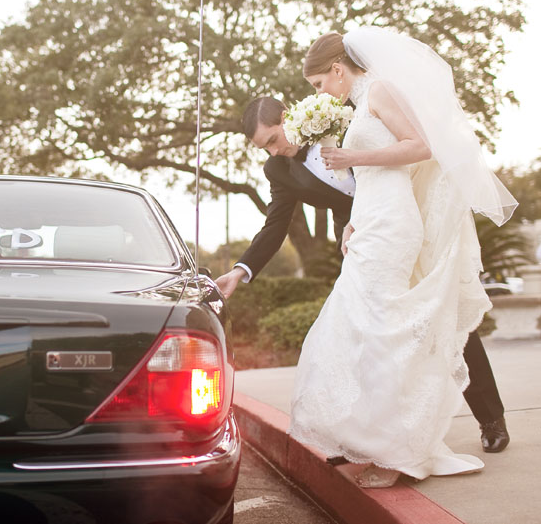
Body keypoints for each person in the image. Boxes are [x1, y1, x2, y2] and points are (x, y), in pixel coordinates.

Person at [216, 26, 517, 487]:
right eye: (266, 148)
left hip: (405, 219)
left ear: (290, 115)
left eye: (274, 138)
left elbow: (413, 148)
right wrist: (241, 270)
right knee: (372, 333)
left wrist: (358, 161)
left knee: (439, 312)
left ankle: (490, 420)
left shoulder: (343, 107)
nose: (275, 150)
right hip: (366, 234)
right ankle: (366, 438)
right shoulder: (279, 168)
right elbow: (275, 225)